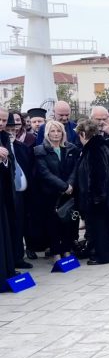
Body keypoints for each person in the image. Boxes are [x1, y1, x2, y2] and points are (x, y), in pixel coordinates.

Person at [72, 119, 109, 265]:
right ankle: (99, 254)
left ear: (83, 134)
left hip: (98, 198)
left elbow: (98, 174)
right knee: (101, 228)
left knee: (99, 228)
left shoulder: (94, 148)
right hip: (102, 197)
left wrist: (96, 198)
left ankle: (101, 256)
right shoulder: (99, 146)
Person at [34, 120, 80, 262]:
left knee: (68, 223)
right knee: (52, 224)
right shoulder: (39, 150)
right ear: (47, 133)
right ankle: (56, 252)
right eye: (52, 131)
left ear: (63, 133)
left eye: (58, 131)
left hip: (69, 193)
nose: (56, 134)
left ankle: (66, 250)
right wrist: (63, 186)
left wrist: (70, 185)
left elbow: (75, 169)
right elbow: (44, 173)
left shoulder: (71, 148)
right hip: (51, 194)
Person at [5, 113, 35, 270]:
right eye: (8, 129)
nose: (12, 132)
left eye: (14, 129)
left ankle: (18, 257)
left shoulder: (22, 148)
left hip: (21, 193)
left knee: (20, 225)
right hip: (6, 192)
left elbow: (29, 170)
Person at [0, 108, 17, 286]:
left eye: (4, 120)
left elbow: (9, 161)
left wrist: (4, 160)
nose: (1, 123)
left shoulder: (5, 137)